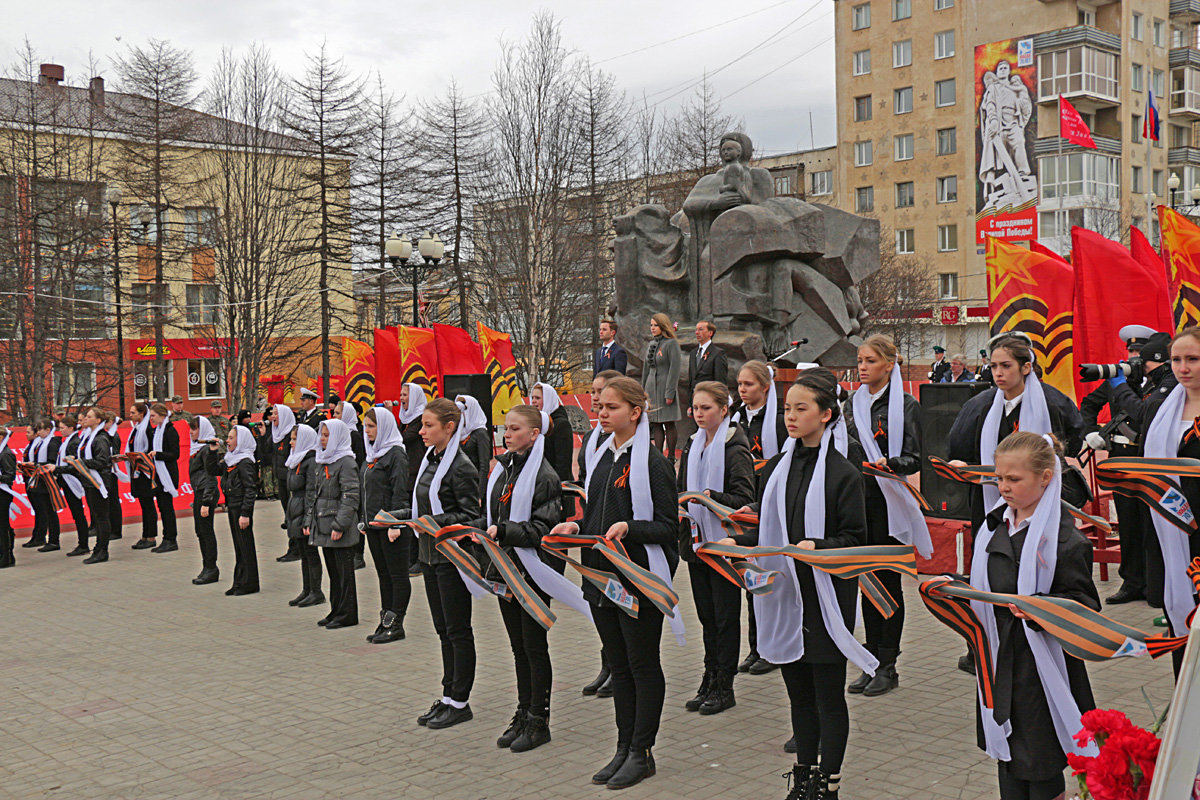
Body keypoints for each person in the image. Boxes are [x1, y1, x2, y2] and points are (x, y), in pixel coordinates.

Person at [722, 372, 871, 800]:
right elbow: (771, 533)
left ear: (826, 415)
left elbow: (855, 540)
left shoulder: (843, 473)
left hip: (824, 600)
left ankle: (830, 783)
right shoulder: (777, 467)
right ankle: (804, 775)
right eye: (787, 408)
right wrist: (735, 543)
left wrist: (818, 546)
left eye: (801, 408)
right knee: (799, 698)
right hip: (787, 597)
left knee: (828, 698)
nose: (790, 416)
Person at [550, 376, 678, 790]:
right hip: (601, 578)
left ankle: (643, 751)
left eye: (610, 407)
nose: (600, 414)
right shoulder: (603, 455)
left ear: (635, 412)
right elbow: (596, 513)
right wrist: (575, 524)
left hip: (638, 579)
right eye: (599, 406)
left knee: (642, 665)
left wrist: (631, 528)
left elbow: (667, 528)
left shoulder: (653, 462)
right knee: (619, 666)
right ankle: (624, 747)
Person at [964, 431, 1099, 800]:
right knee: (1008, 762)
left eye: (1013, 479)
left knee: (1040, 765)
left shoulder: (1064, 541)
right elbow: (983, 584)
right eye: (998, 478)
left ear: (1045, 477)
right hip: (999, 665)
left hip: (1041, 671)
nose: (1003, 487)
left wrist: (1039, 609)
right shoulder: (993, 527)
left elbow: (1085, 609)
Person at [948, 333, 1083, 674]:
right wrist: (962, 466)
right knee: (990, 569)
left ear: (1027, 367)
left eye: (1006, 366)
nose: (998, 373)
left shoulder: (1052, 402)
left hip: (1042, 509)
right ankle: (982, 643)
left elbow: (1073, 441)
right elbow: (958, 446)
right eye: (992, 366)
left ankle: (1037, 632)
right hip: (991, 507)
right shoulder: (979, 405)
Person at [474, 405, 568, 753]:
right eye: (505, 428)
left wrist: (505, 531)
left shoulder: (544, 476)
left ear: (534, 434)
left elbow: (544, 531)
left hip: (532, 572)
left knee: (533, 646)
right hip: (505, 569)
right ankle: (523, 710)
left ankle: (538, 719)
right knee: (518, 648)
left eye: (515, 429)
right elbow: (494, 512)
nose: (507, 434)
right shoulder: (506, 469)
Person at [843, 335, 926, 697]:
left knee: (887, 585)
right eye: (860, 360)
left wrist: (891, 464)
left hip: (887, 504)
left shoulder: (905, 405)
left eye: (870, 360)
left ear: (889, 364)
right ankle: (871, 660)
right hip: (856, 503)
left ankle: (889, 664)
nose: (862, 367)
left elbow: (914, 456)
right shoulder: (851, 404)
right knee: (866, 584)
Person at [677, 380, 755, 716]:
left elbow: (745, 499)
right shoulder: (691, 446)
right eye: (695, 408)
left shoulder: (734, 449)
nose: (698, 414)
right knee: (708, 617)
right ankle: (709, 677)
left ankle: (725, 684)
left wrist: (710, 497)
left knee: (725, 617)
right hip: (696, 544)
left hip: (723, 544)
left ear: (724, 410)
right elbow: (681, 492)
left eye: (706, 408)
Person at [1079, 326, 1172, 605]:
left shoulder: (1162, 382)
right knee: (1129, 524)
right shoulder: (1117, 379)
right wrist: (1089, 432)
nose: (1132, 358)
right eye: (1130, 351)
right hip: (1121, 460)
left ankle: (1158, 584)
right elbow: (1088, 404)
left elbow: (1143, 414)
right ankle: (1132, 582)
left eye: (1138, 353)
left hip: (1149, 462)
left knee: (1152, 526)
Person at [405, 398, 481, 730]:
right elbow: (419, 505)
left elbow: (470, 516)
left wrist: (434, 521)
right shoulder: (430, 459)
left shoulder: (460, 465)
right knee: (442, 630)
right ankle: (448, 695)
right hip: (430, 556)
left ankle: (460, 700)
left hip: (452, 558)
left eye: (428, 425)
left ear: (449, 427)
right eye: (422, 424)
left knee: (457, 629)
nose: (421, 431)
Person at [1137, 326, 1200, 678]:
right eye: (1177, 359)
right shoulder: (1161, 406)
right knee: (1180, 618)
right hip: (1168, 531)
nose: (1182, 367)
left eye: (1193, 359)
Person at [731, 360, 787, 675]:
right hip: (745, 506)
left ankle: (773, 646)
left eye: (749, 384)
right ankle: (756, 647)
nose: (742, 389)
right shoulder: (737, 419)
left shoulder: (778, 421)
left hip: (772, 507)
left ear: (765, 387)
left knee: (772, 579)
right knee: (752, 580)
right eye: (740, 384)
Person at [577, 368, 622, 699]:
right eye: (593, 392)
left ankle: (617, 667)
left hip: (612, 530)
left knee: (611, 601)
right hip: (590, 527)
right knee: (596, 600)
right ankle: (607, 664)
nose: (595, 398)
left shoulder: (616, 437)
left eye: (602, 392)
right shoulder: (594, 434)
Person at [361, 407, 410, 643]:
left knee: (397, 575)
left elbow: (399, 491)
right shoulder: (373, 454)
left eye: (372, 426)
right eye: (366, 426)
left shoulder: (396, 454)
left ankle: (396, 623)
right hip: (373, 525)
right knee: (383, 574)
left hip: (390, 526)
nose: (368, 431)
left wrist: (395, 523)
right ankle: (385, 621)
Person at [309, 418, 361, 629]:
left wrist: (340, 525)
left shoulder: (346, 461)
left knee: (344, 574)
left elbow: (350, 496)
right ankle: (336, 610)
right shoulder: (324, 459)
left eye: (327, 435)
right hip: (324, 526)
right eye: (322, 434)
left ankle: (348, 613)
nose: (322, 439)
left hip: (339, 528)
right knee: (333, 572)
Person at [50, 407, 116, 564]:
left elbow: (102, 461)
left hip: (99, 481)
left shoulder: (100, 438)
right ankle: (98, 549)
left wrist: (79, 462)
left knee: (101, 518)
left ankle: (102, 550)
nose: (85, 419)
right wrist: (73, 461)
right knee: (97, 516)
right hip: (89, 481)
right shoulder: (89, 437)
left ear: (98, 421)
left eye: (89, 416)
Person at [211, 424, 259, 595]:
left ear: (241, 441)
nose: (228, 441)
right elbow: (213, 470)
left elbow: (250, 489)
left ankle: (250, 582)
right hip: (232, 506)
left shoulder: (245, 462)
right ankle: (239, 581)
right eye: (228, 438)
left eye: (232, 438)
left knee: (245, 545)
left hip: (241, 509)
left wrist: (246, 513)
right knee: (238, 546)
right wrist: (211, 452)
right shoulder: (231, 458)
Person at [285, 424, 323, 607]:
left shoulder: (311, 460)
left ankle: (316, 591)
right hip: (296, 509)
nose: (291, 443)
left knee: (311, 552)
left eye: (294, 439)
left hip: (304, 510)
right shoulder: (295, 459)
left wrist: (308, 518)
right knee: (303, 553)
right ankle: (306, 589)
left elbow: (311, 492)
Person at [644, 312, 682, 465]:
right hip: (652, 388)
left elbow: (674, 369)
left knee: (669, 423)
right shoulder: (651, 344)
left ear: (663, 326)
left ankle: (671, 456)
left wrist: (670, 392)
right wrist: (643, 392)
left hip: (666, 387)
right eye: (651, 325)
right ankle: (658, 457)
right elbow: (645, 371)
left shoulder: (671, 344)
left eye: (656, 325)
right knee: (656, 423)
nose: (653, 328)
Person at [187, 416, 221, 585]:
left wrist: (206, 502)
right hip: (199, 492)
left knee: (206, 531)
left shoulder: (207, 450)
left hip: (206, 493)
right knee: (200, 531)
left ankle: (211, 568)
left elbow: (211, 478)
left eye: (194, 429)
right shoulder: (197, 448)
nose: (191, 432)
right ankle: (206, 566)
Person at [530, 382, 572, 520]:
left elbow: (563, 463)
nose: (534, 401)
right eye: (532, 398)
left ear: (548, 399)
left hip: (556, 489)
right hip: (541, 486)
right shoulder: (538, 422)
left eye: (538, 398)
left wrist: (558, 494)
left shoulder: (561, 424)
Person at [399, 382, 429, 575]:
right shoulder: (406, 418)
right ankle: (410, 559)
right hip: (407, 473)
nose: (401, 399)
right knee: (409, 518)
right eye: (400, 395)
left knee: (416, 517)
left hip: (417, 473)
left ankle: (418, 558)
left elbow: (403, 438)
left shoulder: (420, 418)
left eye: (405, 395)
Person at [22, 418, 61, 551]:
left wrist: (35, 465)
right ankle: (43, 538)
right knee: (44, 509)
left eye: (40, 430)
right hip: (39, 479)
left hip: (47, 480)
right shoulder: (42, 442)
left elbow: (52, 461)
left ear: (48, 430)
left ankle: (54, 540)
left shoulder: (52, 442)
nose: (38, 433)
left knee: (50, 511)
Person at [146, 403, 180, 553]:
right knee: (162, 507)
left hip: (167, 473)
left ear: (162, 415)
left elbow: (175, 454)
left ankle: (171, 539)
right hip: (158, 473)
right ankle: (167, 538)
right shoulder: (158, 431)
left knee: (167, 508)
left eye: (153, 415)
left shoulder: (170, 431)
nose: (151, 419)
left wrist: (158, 455)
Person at [55, 416, 91, 557]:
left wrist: (56, 469)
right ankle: (82, 543)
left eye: (62, 428)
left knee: (78, 514)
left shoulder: (74, 442)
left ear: (71, 428)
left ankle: (83, 544)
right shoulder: (68, 441)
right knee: (76, 514)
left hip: (73, 481)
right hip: (66, 480)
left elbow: (74, 466)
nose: (60, 430)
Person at [268, 403, 299, 563]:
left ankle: (296, 548)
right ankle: (293, 546)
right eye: (272, 414)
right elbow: (265, 453)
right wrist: (262, 434)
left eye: (276, 414)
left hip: (290, 480)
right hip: (280, 479)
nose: (273, 417)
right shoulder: (276, 434)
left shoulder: (291, 436)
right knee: (288, 515)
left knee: (293, 514)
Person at [127, 403, 159, 550]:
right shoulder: (136, 429)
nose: (131, 415)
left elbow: (150, 450)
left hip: (145, 471)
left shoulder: (147, 429)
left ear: (141, 413)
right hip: (136, 470)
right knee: (143, 504)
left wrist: (138, 457)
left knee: (148, 504)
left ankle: (151, 536)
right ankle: (145, 535)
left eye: (133, 413)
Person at [455, 395, 492, 503]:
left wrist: (479, 494)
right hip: (461, 485)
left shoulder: (480, 433)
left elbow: (484, 466)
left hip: (474, 486)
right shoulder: (459, 433)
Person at [689, 320, 729, 391]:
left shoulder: (718, 353)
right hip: (695, 397)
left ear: (710, 333)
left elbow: (720, 381)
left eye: (701, 329)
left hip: (709, 396)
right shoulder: (693, 353)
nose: (697, 332)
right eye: (696, 330)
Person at [0, 427, 16, 567]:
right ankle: (4, 554)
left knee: (3, 526)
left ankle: (7, 556)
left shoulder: (6, 454)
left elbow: (10, 476)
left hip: (3, 493)